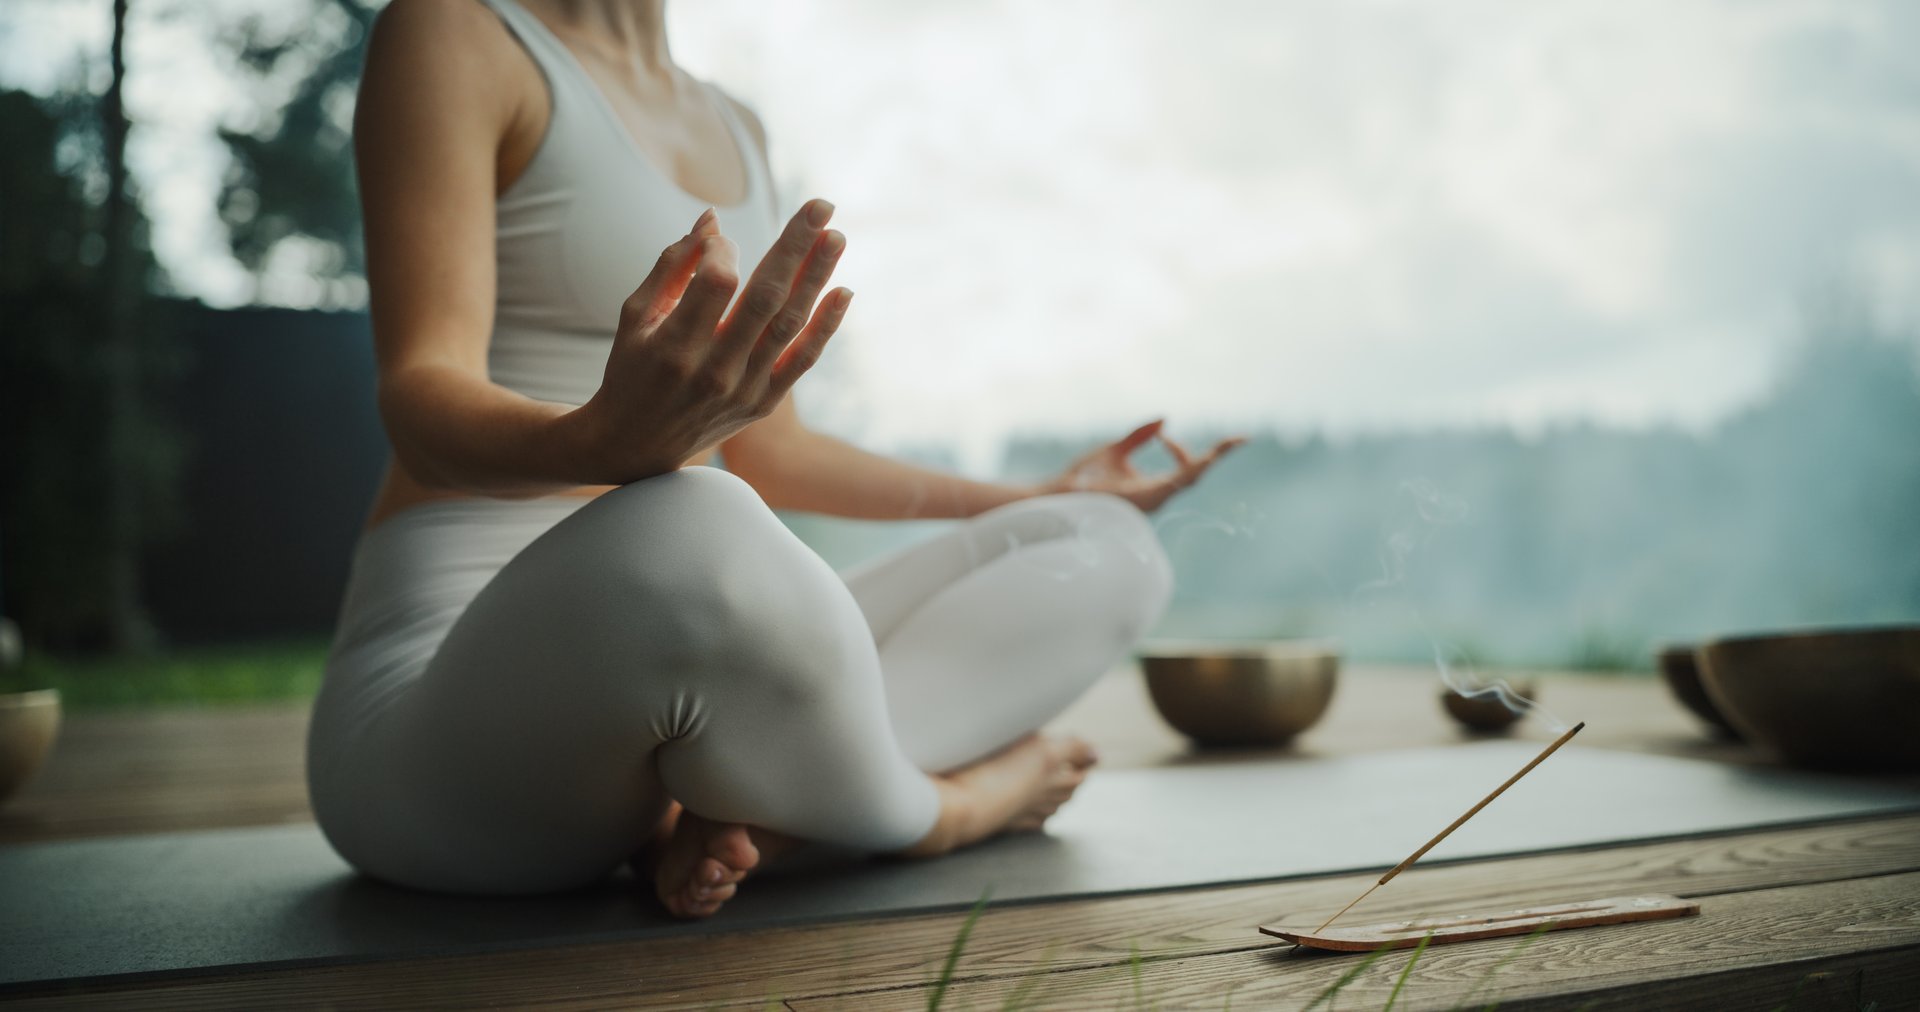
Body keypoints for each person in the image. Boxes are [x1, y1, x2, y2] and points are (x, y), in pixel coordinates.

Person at [307, 0, 1244, 920]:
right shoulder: (457, 30)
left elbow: (774, 452)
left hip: (695, 629)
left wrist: (1040, 494)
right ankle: (942, 811)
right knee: (695, 517)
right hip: (449, 728)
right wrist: (596, 442)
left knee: (1103, 544)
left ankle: (758, 815)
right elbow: (420, 397)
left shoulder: (734, 124)